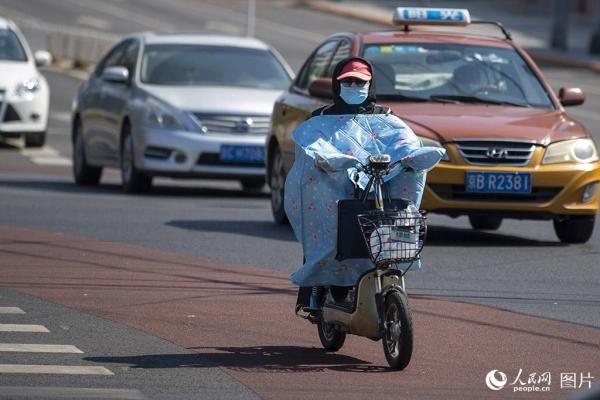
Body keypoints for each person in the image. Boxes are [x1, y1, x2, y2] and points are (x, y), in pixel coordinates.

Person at [285, 57, 444, 312]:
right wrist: (329, 161)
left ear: (370, 84)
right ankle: (319, 291)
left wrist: (411, 157)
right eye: (347, 81)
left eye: (359, 82)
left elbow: (404, 142)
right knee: (334, 230)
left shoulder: (387, 117)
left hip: (380, 185)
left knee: (392, 225)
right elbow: (312, 146)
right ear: (338, 85)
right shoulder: (320, 118)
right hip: (334, 189)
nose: (353, 86)